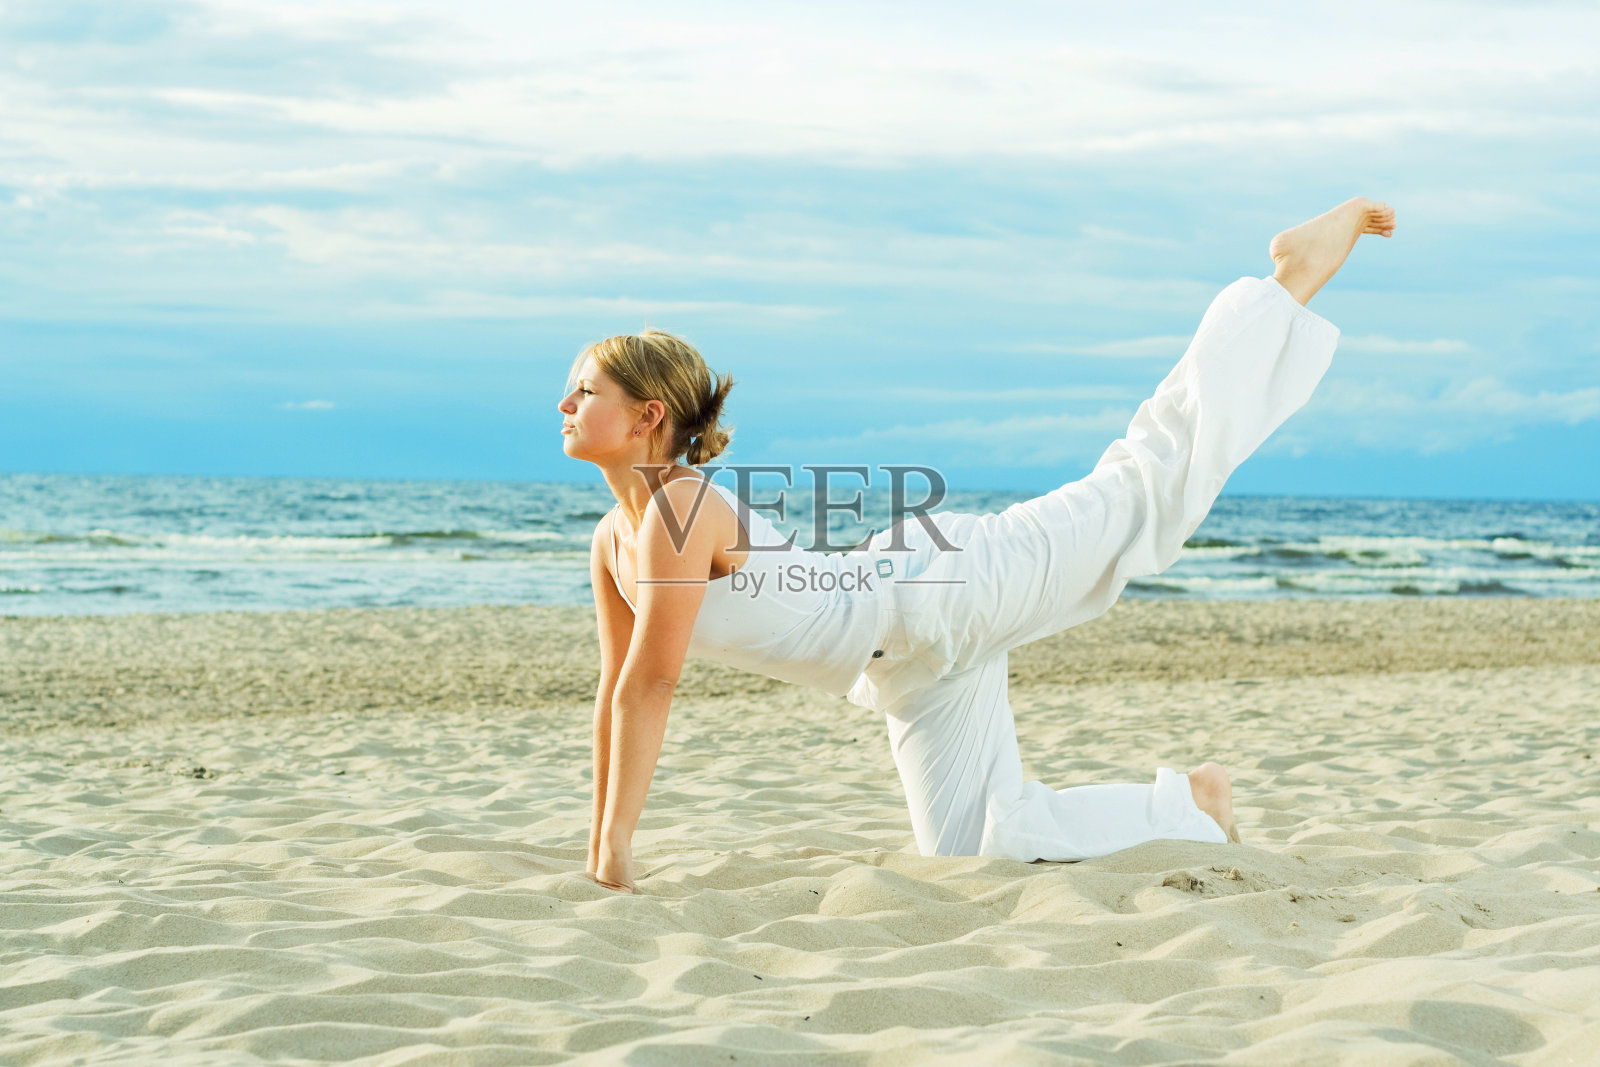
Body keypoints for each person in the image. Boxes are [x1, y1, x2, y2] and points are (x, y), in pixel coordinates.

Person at [559, 196, 1397, 894]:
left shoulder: (681, 507)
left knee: (1141, 484)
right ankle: (1195, 804)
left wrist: (616, 851)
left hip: (946, 584)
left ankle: (1287, 281)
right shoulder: (614, 540)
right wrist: (604, 844)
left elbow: (653, 684)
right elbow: (615, 693)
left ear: (647, 416)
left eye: (586, 389)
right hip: (902, 662)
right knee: (976, 851)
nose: (565, 402)